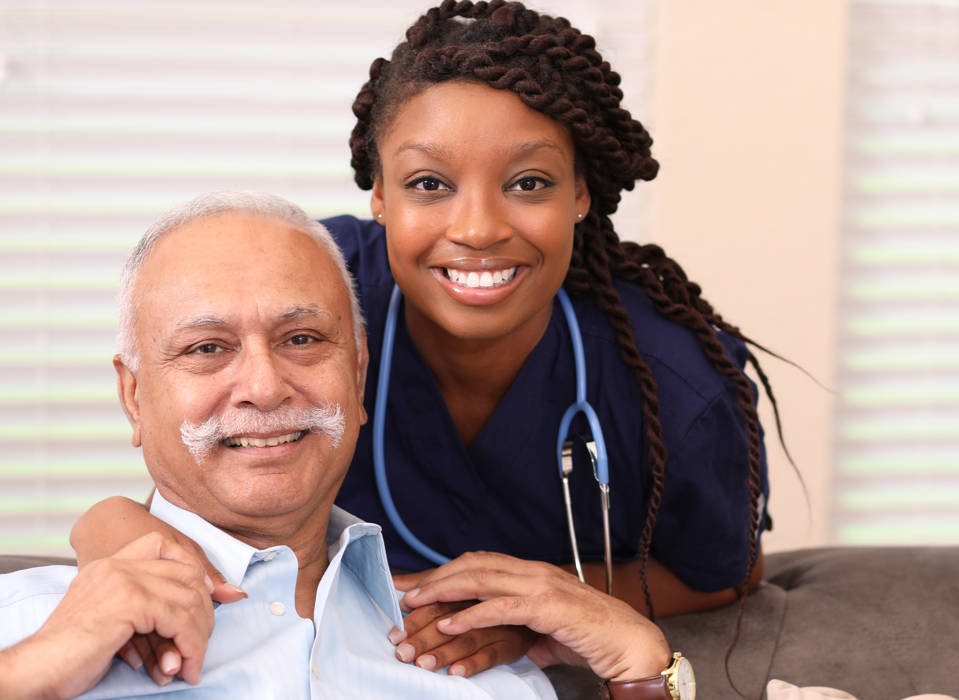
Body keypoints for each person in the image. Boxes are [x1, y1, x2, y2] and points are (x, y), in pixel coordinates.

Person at [74, 0, 780, 678]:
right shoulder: (315, 298)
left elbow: (725, 570)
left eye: (529, 182)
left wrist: (541, 605)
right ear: (378, 192)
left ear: (581, 192)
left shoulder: (675, 376)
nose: (477, 228)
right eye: (429, 183)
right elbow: (195, 468)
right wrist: (107, 527)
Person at [0, 193, 676, 699]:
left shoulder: (474, 659)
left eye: (301, 339)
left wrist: (647, 668)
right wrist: (40, 664)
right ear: (133, 396)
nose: (264, 388)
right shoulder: (29, 629)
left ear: (357, 373)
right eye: (207, 348)